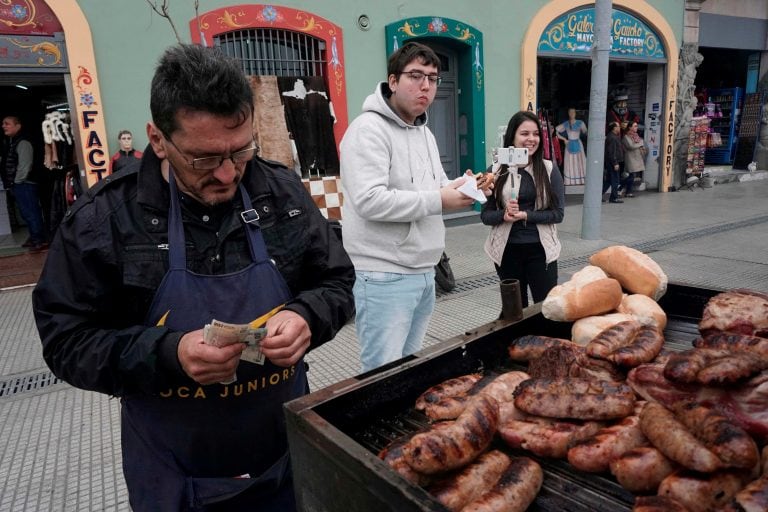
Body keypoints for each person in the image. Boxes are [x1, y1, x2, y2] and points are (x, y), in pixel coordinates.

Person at [32, 44, 355, 512]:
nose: (227, 174)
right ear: (158, 139)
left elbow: (337, 282)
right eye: (204, 159)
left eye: (241, 150)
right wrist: (166, 354)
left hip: (284, 450)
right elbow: (66, 340)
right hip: (172, 468)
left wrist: (309, 316)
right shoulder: (104, 221)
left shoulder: (280, 193)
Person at [340, 42, 474, 373]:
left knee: (408, 366)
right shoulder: (367, 130)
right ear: (393, 80)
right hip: (383, 273)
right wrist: (440, 198)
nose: (425, 85)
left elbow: (437, 187)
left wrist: (463, 186)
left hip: (424, 269)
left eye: (432, 78)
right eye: (415, 76)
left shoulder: (423, 133)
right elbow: (369, 200)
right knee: (381, 372)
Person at [481, 110, 564, 308]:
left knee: (545, 308)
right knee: (514, 309)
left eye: (535, 134)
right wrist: (504, 215)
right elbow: (485, 215)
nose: (531, 139)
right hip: (507, 250)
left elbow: (558, 214)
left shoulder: (549, 169)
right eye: (524, 134)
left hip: (541, 250)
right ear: (512, 136)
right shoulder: (495, 170)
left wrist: (526, 214)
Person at [1, 116, 47, 251]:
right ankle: (35, 238)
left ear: (18, 126)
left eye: (7, 124)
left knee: (30, 212)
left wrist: (17, 182)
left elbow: (25, 165)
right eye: (3, 124)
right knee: (26, 212)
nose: (3, 126)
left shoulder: (23, 142)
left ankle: (39, 240)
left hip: (25, 183)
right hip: (20, 183)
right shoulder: (12, 142)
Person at [556, 107, 587, 186]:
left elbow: (586, 132)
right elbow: (556, 131)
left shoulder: (580, 123)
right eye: (570, 112)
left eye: (573, 112)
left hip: (578, 143)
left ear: (575, 113)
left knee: (580, 161)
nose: (572, 114)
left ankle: (581, 179)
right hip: (569, 143)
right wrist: (564, 139)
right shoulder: (566, 123)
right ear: (568, 113)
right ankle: (570, 181)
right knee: (569, 162)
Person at [622, 121, 646, 198]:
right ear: (630, 127)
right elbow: (631, 146)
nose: (637, 127)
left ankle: (626, 190)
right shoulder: (626, 137)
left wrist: (641, 146)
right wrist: (641, 143)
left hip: (637, 157)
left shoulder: (636, 136)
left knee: (632, 175)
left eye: (636, 126)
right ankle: (624, 189)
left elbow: (639, 145)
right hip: (630, 158)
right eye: (635, 126)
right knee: (631, 175)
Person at [603, 121, 624, 203]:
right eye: (618, 126)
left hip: (611, 162)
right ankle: (614, 198)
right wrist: (615, 163)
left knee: (608, 181)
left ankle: (599, 194)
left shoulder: (614, 136)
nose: (619, 128)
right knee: (615, 180)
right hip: (613, 163)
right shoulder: (612, 138)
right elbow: (612, 152)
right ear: (614, 128)